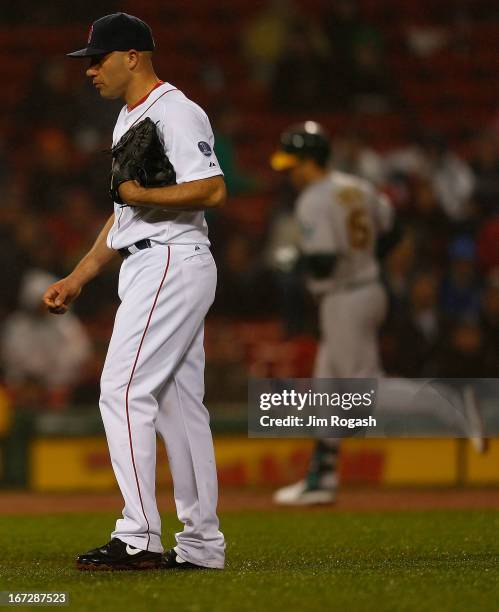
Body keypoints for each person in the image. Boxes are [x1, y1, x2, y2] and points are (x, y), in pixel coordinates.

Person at [43, 13, 226, 570]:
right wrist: (79, 275)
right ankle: (200, 545)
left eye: (97, 58)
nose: (90, 69)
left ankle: (139, 533)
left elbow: (213, 189)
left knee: (122, 390)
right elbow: (126, 214)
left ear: (132, 56)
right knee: (178, 406)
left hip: (171, 259)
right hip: (160, 259)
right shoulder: (129, 120)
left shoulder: (174, 109)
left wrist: (143, 191)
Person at [269, 122, 486, 505]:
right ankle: (322, 477)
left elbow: (322, 262)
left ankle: (446, 399)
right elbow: (394, 233)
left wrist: (294, 261)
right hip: (367, 290)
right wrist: (365, 262)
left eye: (294, 163)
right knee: (325, 384)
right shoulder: (358, 186)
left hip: (344, 298)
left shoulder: (314, 199)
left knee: (363, 392)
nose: (290, 171)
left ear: (309, 161)